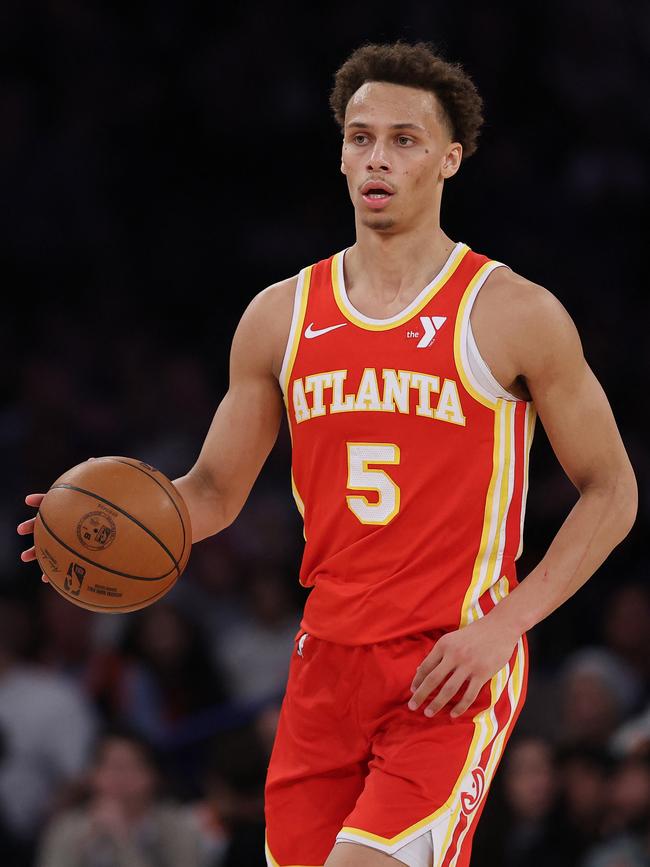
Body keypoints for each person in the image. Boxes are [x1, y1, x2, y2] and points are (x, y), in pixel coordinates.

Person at [19, 41, 637, 867]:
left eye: (405, 139)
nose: (377, 157)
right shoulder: (280, 316)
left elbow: (612, 488)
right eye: (360, 136)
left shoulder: (513, 311)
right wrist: (103, 527)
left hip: (447, 664)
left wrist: (506, 625)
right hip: (323, 666)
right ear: (341, 151)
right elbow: (210, 490)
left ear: (450, 158)